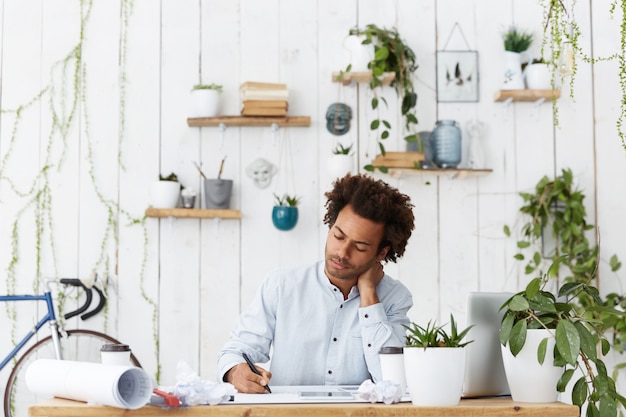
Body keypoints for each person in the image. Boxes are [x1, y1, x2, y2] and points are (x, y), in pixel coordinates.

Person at [217, 173, 415, 393]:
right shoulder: (282, 285)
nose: (342, 252)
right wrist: (235, 371)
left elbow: (394, 382)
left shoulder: (395, 298)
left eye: (359, 247)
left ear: (381, 252)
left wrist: (369, 294)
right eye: (338, 236)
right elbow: (235, 350)